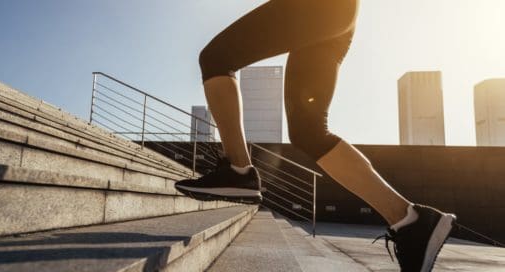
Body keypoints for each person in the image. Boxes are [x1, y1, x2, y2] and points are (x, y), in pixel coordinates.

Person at [174, 1, 456, 271]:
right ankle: (410, 220)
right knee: (309, 132)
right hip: (335, 14)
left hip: (319, 7)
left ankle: (238, 169)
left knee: (216, 57)